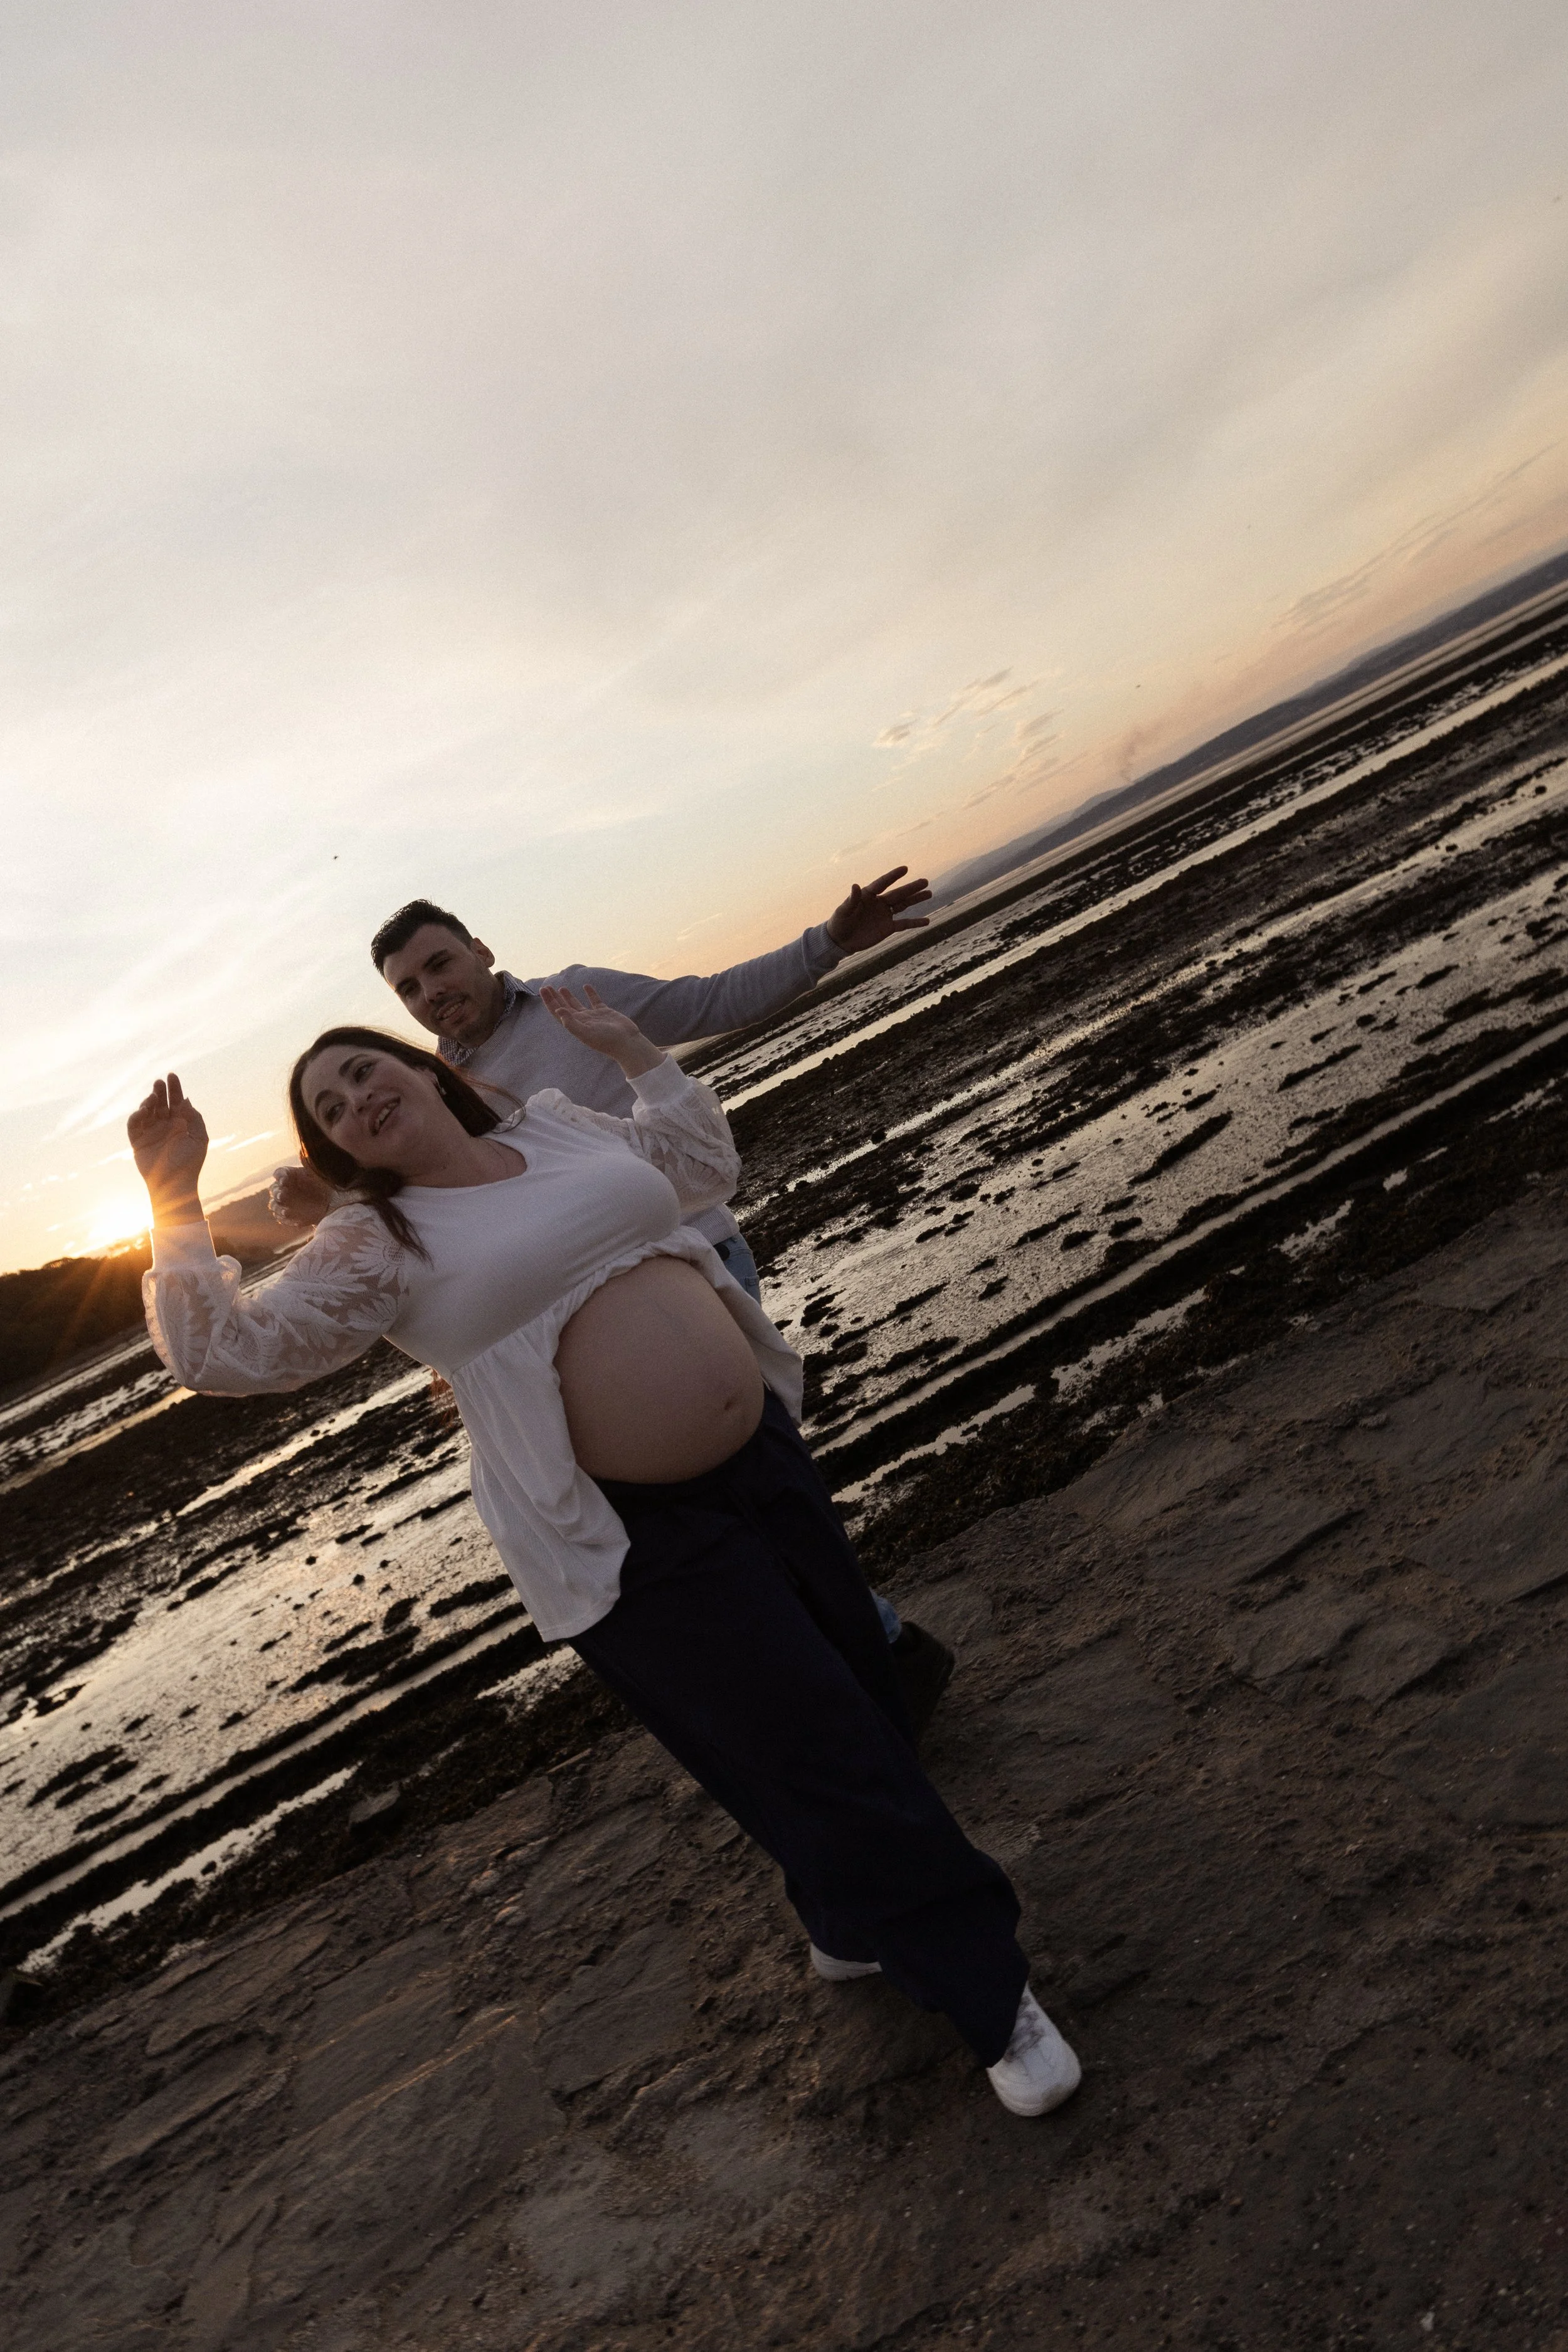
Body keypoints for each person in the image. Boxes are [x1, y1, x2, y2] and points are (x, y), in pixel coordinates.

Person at [128, 999, 1080, 2117]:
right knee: (822, 1744)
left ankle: (846, 1918)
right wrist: (176, 1197)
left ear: (423, 1071)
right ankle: (989, 1993)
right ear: (338, 1152)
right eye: (329, 1111)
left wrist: (635, 1052)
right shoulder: (376, 1242)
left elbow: (699, 1167)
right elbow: (224, 1353)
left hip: (759, 1457)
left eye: (360, 1070)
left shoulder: (560, 1127)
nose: (355, 1100)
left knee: (856, 1696)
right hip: (627, 1532)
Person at [268, 869, 952, 1721]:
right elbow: (435, 1226)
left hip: (692, 1269)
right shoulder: (425, 1092)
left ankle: (879, 1659)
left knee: (761, 1500)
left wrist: (830, 943)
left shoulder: (570, 1001)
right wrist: (330, 1212)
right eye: (407, 988)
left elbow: (707, 1002)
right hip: (567, 1358)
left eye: (440, 965)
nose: (430, 992)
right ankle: (863, 1671)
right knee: (718, 1532)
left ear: (482, 952)